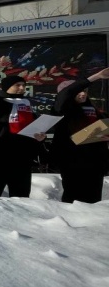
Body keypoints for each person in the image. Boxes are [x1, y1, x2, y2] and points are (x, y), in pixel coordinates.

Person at [0, 51, 46, 198]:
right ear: (7, 87)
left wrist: (39, 138)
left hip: (22, 159)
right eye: (17, 85)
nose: (22, 88)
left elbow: (33, 130)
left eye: (23, 85)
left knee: (21, 197)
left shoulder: (27, 105)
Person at [52, 67, 109, 204]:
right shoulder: (63, 108)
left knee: (93, 198)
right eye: (79, 92)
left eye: (84, 91)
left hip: (95, 160)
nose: (83, 94)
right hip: (73, 160)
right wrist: (95, 77)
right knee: (74, 197)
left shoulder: (94, 109)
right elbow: (67, 93)